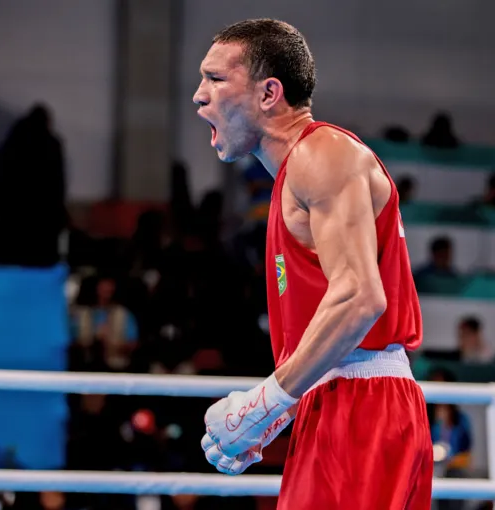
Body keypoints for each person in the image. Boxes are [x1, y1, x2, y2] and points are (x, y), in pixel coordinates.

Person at [194, 19, 432, 509]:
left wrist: (263, 406)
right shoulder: (296, 175)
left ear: (268, 93)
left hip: (362, 409)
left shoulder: (322, 154)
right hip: (339, 403)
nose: (200, 96)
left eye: (216, 79)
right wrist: (277, 413)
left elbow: (360, 297)